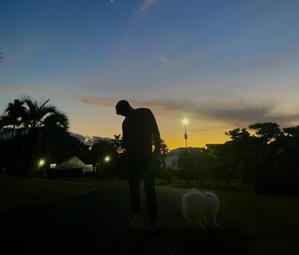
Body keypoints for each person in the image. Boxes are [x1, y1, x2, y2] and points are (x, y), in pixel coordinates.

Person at [115, 100, 161, 232]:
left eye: (121, 113)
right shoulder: (127, 121)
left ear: (125, 108)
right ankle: (137, 219)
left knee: (149, 190)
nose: (122, 116)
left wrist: (156, 155)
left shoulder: (145, 113)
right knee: (135, 190)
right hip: (134, 160)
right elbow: (126, 143)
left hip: (147, 159)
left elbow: (156, 134)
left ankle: (153, 221)